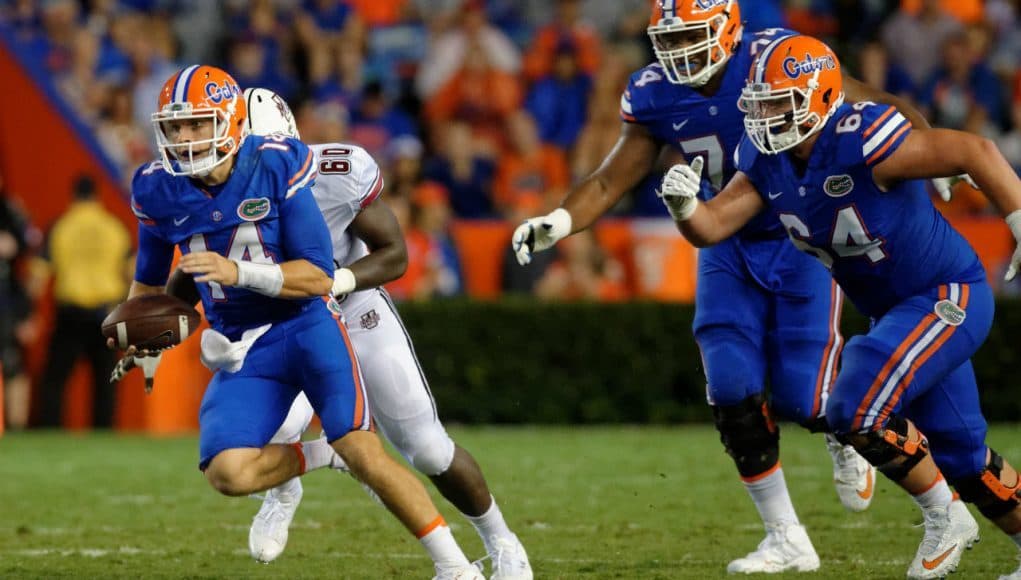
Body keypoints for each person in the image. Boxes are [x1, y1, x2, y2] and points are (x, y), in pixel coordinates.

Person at [511, 0, 921, 572]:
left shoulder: (776, 58)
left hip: (798, 229)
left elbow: (869, 101)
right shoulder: (655, 91)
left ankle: (842, 423)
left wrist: (929, 152)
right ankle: (786, 538)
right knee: (730, 385)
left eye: (693, 37)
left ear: (729, 29)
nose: (679, 53)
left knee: (805, 399)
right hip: (721, 238)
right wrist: (556, 221)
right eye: (670, 40)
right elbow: (609, 179)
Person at [660, 34, 1021, 580]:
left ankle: (944, 516)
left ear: (822, 96)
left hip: (947, 294)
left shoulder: (863, 136)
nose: (767, 114)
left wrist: (1019, 220)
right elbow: (711, 228)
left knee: (852, 403)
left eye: (781, 100)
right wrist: (685, 205)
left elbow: (977, 151)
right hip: (896, 312)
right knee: (964, 456)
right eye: (761, 102)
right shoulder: (766, 159)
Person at [119, 65, 482, 580]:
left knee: (366, 451)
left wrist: (236, 271)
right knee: (226, 472)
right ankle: (319, 458)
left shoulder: (276, 164)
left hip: (307, 325)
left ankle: (457, 568)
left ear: (232, 121)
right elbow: (151, 287)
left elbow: (317, 274)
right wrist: (145, 338)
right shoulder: (156, 190)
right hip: (247, 347)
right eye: (175, 127)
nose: (183, 137)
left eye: (197, 124)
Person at [236, 87, 530, 579]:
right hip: (289, 322)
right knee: (268, 432)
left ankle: (501, 539)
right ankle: (284, 489)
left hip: (354, 311)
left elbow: (394, 252)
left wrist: (338, 281)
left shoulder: (336, 174)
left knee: (428, 447)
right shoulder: (214, 191)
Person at [38, 174, 131, 429]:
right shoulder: (113, 227)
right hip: (107, 311)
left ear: (74, 196)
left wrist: (30, 312)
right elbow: (132, 271)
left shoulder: (60, 226)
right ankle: (103, 429)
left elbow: (39, 272)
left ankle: (50, 428)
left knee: (55, 379)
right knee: (105, 379)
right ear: (97, 196)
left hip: (70, 312)